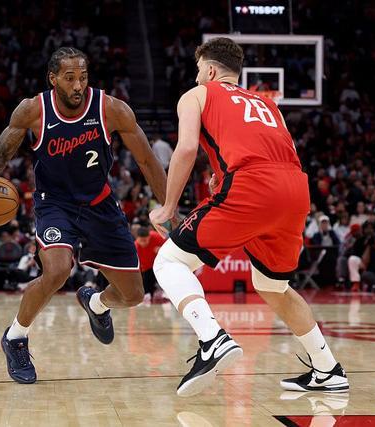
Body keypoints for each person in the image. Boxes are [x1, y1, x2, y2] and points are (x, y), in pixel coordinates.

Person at [149, 38, 348, 397]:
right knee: (273, 286)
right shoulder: (268, 103)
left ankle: (211, 339)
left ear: (210, 70)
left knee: (168, 261)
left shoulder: (196, 95)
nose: (197, 77)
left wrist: (167, 206)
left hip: (253, 186)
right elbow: (273, 150)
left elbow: (187, 148)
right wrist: (225, 177)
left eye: (199, 70)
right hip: (294, 189)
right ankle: (327, 369)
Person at [0, 47, 170, 384]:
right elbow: (1, 154)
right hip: (55, 204)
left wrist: (169, 207)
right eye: (70, 78)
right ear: (53, 78)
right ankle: (16, 337)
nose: (78, 85)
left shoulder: (111, 109)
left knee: (133, 295)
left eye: (83, 77)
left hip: (100, 205)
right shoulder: (33, 110)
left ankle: (97, 304)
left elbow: (147, 160)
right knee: (58, 270)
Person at [134, 226, 166, 302]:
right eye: (141, 240)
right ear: (137, 239)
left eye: (145, 240)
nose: (143, 243)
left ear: (149, 237)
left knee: (164, 278)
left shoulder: (157, 237)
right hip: (147, 268)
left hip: (160, 264)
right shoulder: (135, 248)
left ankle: (167, 293)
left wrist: (162, 250)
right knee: (146, 281)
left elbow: (170, 247)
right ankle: (148, 295)